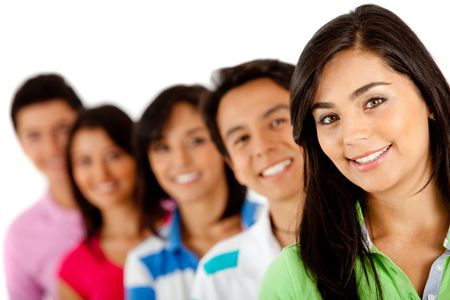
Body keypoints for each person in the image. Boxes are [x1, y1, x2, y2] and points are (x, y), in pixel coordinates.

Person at [260, 4, 450, 300]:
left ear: (428, 96)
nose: (352, 135)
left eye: (374, 101)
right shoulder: (294, 279)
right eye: (329, 118)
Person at [124, 84, 261, 300]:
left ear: (224, 143)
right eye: (162, 147)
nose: (181, 161)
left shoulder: (276, 225)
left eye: (195, 141)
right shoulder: (143, 262)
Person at [190, 59, 304, 300]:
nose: (262, 147)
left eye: (277, 122)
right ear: (234, 167)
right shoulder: (218, 273)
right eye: (241, 138)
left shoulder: (388, 235)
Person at [4, 73, 84, 300]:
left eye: (62, 130)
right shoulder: (21, 237)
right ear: (22, 145)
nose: (52, 148)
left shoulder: (151, 203)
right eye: (34, 136)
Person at [56, 104, 147, 299]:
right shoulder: (73, 268)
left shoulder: (182, 229)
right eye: (85, 161)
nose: (101, 174)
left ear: (136, 157)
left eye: (113, 156)